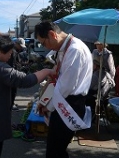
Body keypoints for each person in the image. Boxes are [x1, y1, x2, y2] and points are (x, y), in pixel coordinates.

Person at [34, 21, 93, 158]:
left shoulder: (74, 50)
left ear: (52, 34)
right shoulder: (66, 48)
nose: (45, 47)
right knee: (57, 149)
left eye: (43, 43)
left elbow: (66, 87)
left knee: (55, 151)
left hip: (69, 102)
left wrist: (47, 105)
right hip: (64, 100)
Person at [86, 41, 116, 116]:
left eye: (100, 45)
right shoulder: (94, 52)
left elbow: (112, 70)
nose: (98, 46)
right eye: (97, 45)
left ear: (103, 45)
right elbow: (90, 64)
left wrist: (109, 81)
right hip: (95, 74)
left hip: (104, 76)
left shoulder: (108, 54)